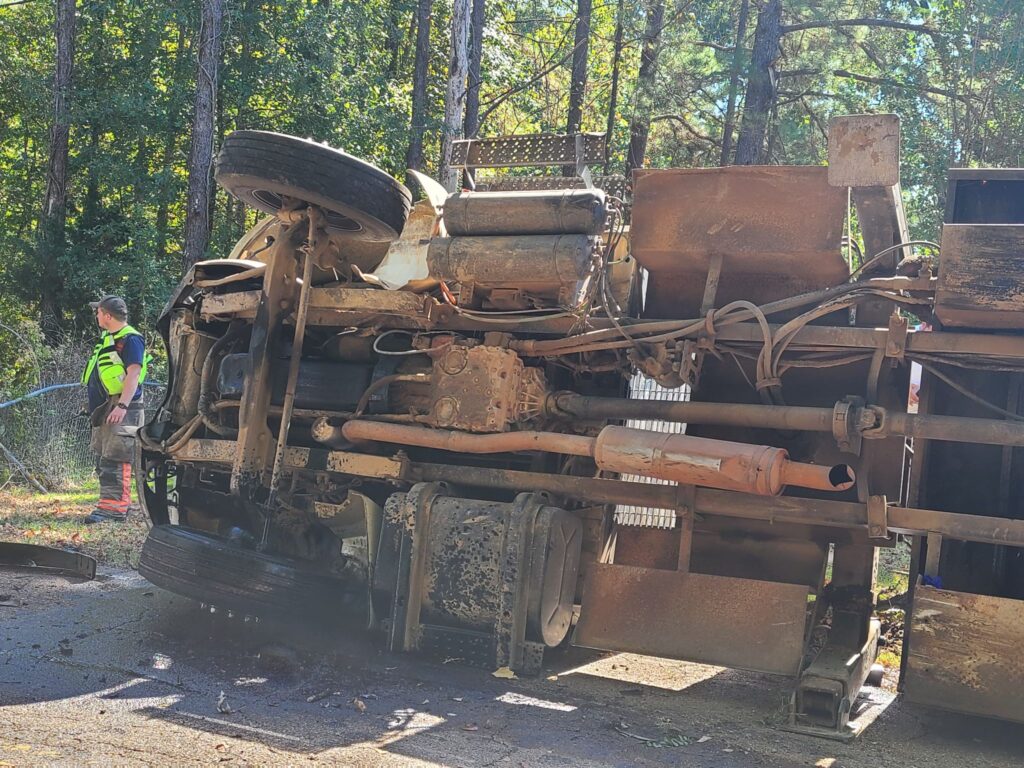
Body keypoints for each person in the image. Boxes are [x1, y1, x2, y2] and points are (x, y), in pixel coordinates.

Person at [81, 295, 150, 524]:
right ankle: (107, 506)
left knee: (118, 457)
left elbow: (134, 374)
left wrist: (122, 405)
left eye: (98, 312)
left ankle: (115, 510)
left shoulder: (130, 339)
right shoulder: (110, 338)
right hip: (108, 406)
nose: (96, 316)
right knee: (104, 457)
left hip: (123, 407)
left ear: (107, 315)